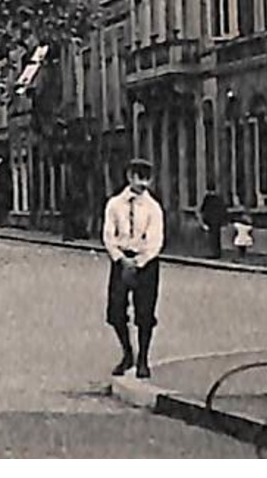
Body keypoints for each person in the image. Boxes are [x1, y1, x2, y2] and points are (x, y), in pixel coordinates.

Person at [103, 157, 163, 380]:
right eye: (139, 177)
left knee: (145, 313)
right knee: (116, 312)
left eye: (147, 178)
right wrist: (120, 259)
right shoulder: (115, 204)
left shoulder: (153, 208)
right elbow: (109, 235)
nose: (143, 183)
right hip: (121, 261)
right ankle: (127, 353)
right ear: (130, 177)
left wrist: (140, 262)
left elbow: (156, 240)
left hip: (146, 263)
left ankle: (143, 360)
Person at [198, 184, 228, 259]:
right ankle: (217, 253)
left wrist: (203, 220)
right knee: (217, 237)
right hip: (216, 221)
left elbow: (203, 210)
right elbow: (223, 209)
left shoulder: (208, 198)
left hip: (210, 221)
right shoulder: (218, 198)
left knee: (212, 238)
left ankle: (213, 253)